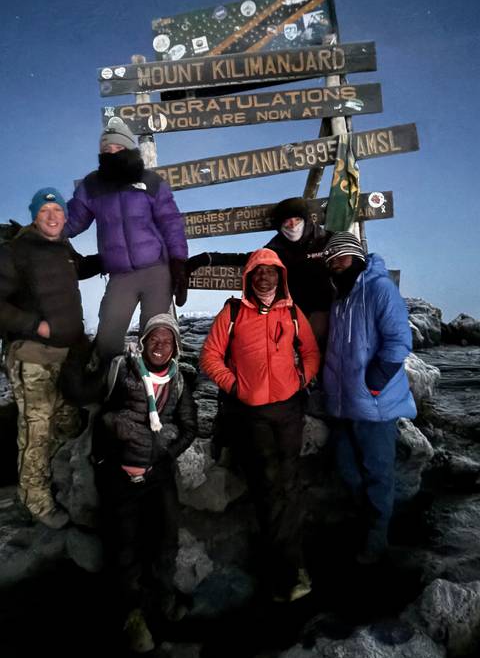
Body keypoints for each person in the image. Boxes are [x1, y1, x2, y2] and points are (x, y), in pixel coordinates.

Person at [200, 248, 320, 602]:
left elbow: (311, 352)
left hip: (288, 409)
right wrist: (236, 385)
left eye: (271, 272)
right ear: (249, 278)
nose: (265, 277)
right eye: (258, 272)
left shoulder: (292, 312)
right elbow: (209, 355)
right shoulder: (233, 312)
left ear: (280, 277)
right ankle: (289, 567)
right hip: (252, 413)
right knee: (268, 484)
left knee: (288, 481)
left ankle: (286, 565)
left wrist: (300, 379)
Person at [95, 314, 197, 653]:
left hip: (158, 474)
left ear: (175, 347)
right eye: (154, 337)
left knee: (165, 541)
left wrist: (164, 452)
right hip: (120, 476)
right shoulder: (122, 371)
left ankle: (162, 605)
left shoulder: (178, 380)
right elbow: (103, 416)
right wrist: (113, 440)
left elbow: (188, 427)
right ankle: (133, 616)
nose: (160, 345)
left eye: (167, 340)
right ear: (143, 340)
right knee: (125, 547)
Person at [0, 189, 101, 528]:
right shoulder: (15, 252)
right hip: (32, 357)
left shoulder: (63, 249)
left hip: (68, 355)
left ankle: (54, 487)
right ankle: (36, 503)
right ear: (33, 215)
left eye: (58, 209)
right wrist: (34, 325)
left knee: (66, 425)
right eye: (45, 210)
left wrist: (114, 257)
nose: (53, 216)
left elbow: (82, 268)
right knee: (36, 432)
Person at [321, 232, 417, 564]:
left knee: (378, 475)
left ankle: (377, 543)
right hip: (344, 407)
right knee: (346, 469)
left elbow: (399, 341)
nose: (335, 264)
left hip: (375, 407)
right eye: (331, 260)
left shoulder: (379, 288)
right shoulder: (341, 299)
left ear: (357, 257)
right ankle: (367, 527)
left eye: (341, 258)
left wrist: (373, 384)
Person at [64, 117, 188, 362]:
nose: (112, 153)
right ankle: (111, 390)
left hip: (157, 272)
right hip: (121, 275)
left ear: (129, 149)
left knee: (155, 336)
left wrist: (179, 263)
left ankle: (153, 393)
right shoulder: (92, 185)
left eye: (118, 148)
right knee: (108, 339)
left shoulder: (151, 181)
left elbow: (171, 223)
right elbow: (72, 221)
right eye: (106, 150)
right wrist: (40, 231)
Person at [186, 196, 332, 347]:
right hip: (289, 314)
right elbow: (243, 258)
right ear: (280, 225)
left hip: (328, 313)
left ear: (306, 220)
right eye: (287, 221)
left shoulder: (328, 240)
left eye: (297, 219)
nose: (293, 225)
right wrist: (207, 258)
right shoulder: (275, 250)